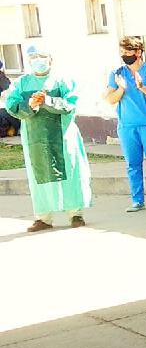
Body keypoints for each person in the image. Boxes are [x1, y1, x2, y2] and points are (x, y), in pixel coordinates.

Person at [5, 43, 92, 231]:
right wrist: (31, 105)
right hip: (35, 139)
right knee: (39, 176)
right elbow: (11, 105)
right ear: (29, 60)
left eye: (42, 57)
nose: (38, 61)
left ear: (51, 59)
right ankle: (43, 218)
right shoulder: (21, 84)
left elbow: (71, 103)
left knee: (70, 171)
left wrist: (48, 101)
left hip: (63, 136)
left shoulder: (62, 81)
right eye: (34, 57)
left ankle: (75, 214)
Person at [104, 36, 146, 212]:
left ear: (138, 52)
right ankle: (137, 200)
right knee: (132, 163)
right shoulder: (117, 73)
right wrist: (122, 88)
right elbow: (110, 99)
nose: (125, 55)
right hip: (127, 125)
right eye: (122, 52)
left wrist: (142, 87)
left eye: (128, 51)